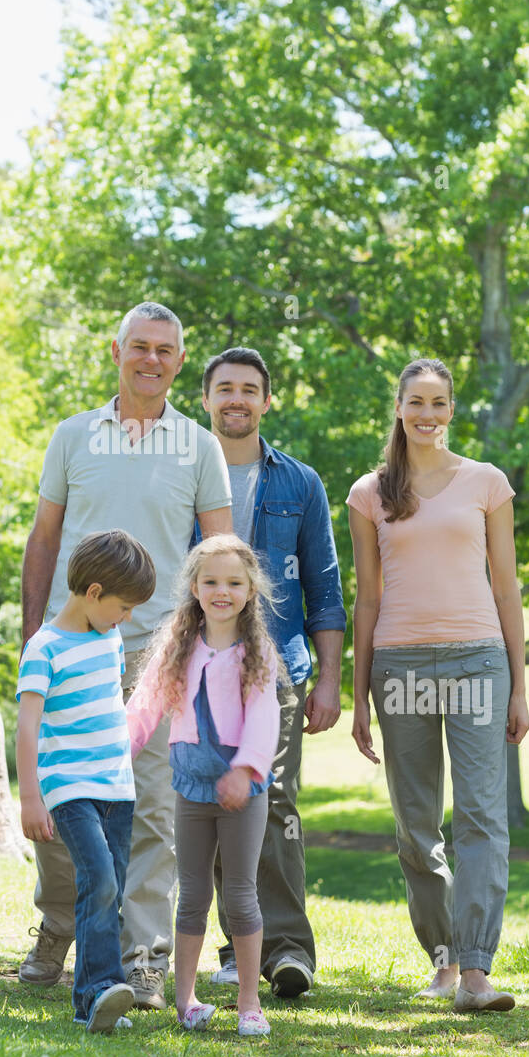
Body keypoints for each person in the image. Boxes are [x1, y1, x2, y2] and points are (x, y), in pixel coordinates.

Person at [18, 301, 232, 1010]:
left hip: (160, 654)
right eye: (138, 347)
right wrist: (34, 633)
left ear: (179, 360)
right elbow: (44, 541)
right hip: (74, 646)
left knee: (150, 806)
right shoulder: (73, 436)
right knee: (62, 796)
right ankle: (58, 927)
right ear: (116, 351)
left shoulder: (199, 447)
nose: (150, 360)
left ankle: (143, 956)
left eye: (164, 351)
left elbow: (219, 555)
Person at [346, 357, 529, 1012]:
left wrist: (519, 686)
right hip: (399, 665)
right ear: (398, 407)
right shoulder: (370, 493)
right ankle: (444, 959)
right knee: (416, 825)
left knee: (481, 816)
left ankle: (477, 971)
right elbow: (367, 599)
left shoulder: (487, 484)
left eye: (440, 403)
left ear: (453, 409)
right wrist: (360, 693)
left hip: (479, 659)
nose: (428, 414)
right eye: (416, 402)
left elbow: (506, 588)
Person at [198, 347, 346, 998]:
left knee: (274, 801)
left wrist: (332, 681)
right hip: (199, 666)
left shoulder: (300, 482)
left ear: (266, 401)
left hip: (278, 666)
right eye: (225, 388)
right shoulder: (182, 474)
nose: (237, 399)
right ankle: (236, 950)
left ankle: (288, 952)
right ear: (205, 399)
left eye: (249, 389)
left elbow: (326, 589)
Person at [126, 535, 283, 1036]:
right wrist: (117, 752)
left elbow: (264, 714)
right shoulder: (178, 644)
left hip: (242, 792)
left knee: (240, 896)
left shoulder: (257, 650)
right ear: (194, 586)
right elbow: (146, 703)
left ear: (251, 589)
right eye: (211, 581)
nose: (222, 591)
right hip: (191, 787)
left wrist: (246, 769)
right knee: (191, 894)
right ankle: (186, 1000)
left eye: (234, 582)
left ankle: (249, 1004)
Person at [16, 530, 156, 1033]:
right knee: (96, 877)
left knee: (110, 887)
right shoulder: (44, 648)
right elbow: (27, 725)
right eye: (123, 606)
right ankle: (97, 991)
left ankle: (96, 1000)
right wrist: (30, 795)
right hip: (69, 787)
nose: (127, 618)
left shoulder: (110, 638)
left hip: (117, 788)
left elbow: (110, 711)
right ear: (94, 592)